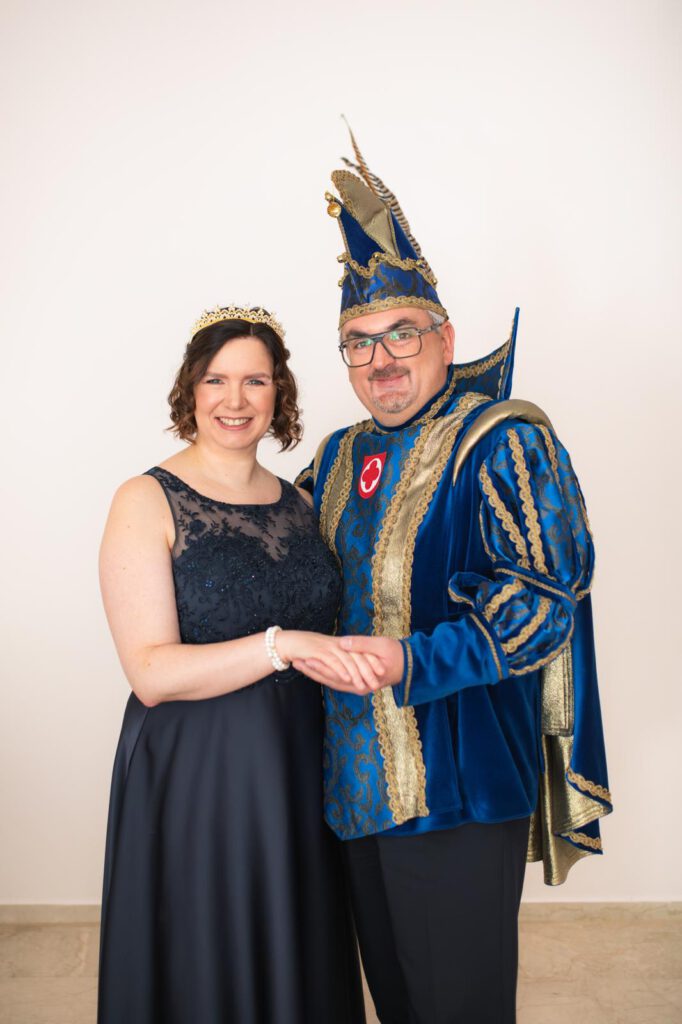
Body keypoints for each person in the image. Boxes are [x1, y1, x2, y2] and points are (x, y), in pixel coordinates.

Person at [294, 133, 613, 1024]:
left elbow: (541, 602)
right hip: (351, 793)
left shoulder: (503, 439)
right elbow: (279, 566)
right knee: (399, 1005)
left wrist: (407, 660)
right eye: (359, 343)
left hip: (457, 794)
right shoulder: (337, 456)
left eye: (402, 333)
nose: (382, 359)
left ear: (446, 338)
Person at [97, 305, 370, 1024]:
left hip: (300, 763)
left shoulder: (303, 503)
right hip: (199, 769)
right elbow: (150, 673)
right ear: (191, 390)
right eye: (216, 380)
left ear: (280, 393)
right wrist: (283, 645)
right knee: (207, 956)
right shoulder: (145, 499)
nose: (235, 399)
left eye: (256, 381)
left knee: (300, 950)